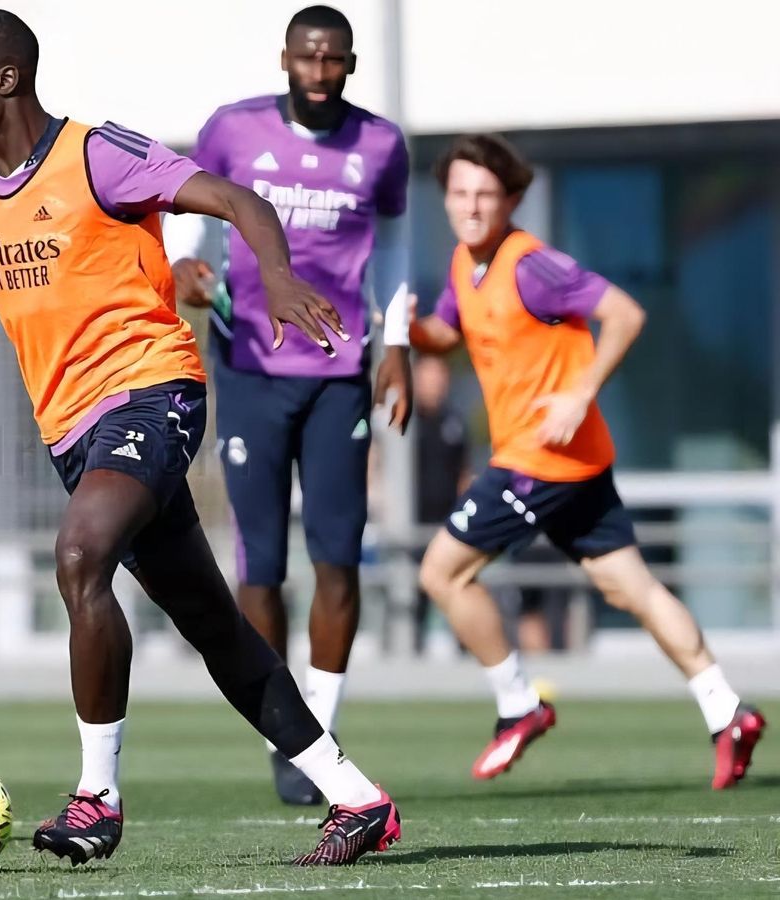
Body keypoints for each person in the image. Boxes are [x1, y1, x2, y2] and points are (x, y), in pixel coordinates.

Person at [0, 8, 400, 867]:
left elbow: (235, 197)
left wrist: (277, 278)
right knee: (214, 624)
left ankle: (96, 799)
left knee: (78, 556)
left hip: (152, 390)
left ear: (5, 80)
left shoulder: (97, 155)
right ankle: (357, 797)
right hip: (71, 429)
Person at [411, 133, 764, 788]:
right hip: (569, 465)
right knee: (630, 586)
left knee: (442, 574)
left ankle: (518, 706)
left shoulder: (532, 265)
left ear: (512, 198)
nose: (471, 206)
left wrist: (581, 390)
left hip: (537, 460)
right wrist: (407, 329)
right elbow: (445, 331)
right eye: (459, 193)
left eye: (486, 194)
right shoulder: (467, 262)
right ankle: (727, 710)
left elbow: (625, 314)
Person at [165, 4, 412, 806]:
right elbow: (191, 213)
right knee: (260, 566)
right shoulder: (232, 132)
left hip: (340, 372)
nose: (318, 70)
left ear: (349, 64)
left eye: (332, 58)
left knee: (338, 559)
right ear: (285, 60)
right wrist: (186, 272)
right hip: (248, 369)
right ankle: (290, 735)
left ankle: (327, 722)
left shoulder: (380, 145)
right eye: (306, 57)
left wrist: (398, 342)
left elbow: (397, 243)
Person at [409, 355, 470, 655]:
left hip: (448, 526)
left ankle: (469, 655)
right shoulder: (403, 420)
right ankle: (409, 657)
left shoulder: (455, 422)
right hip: (411, 525)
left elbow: (464, 474)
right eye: (430, 376)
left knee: (458, 590)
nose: (436, 384)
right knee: (413, 597)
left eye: (441, 377)